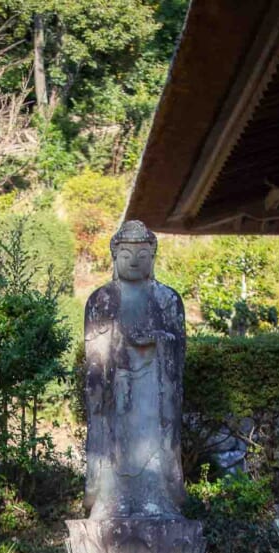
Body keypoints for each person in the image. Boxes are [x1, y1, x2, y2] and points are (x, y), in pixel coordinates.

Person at [84, 220, 187, 520]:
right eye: (127, 253)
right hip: (116, 389)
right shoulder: (100, 300)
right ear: (114, 257)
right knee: (113, 445)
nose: (134, 260)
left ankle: (157, 497)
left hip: (153, 391)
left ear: (152, 258)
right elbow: (93, 356)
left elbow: (177, 350)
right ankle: (111, 497)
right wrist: (117, 345)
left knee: (153, 446)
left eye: (142, 254)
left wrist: (156, 342)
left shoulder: (167, 299)